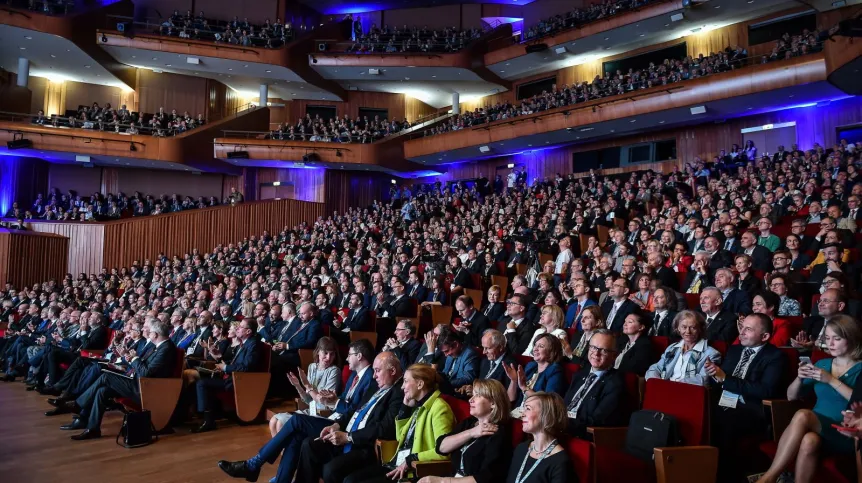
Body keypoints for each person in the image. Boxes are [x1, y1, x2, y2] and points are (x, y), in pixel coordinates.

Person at [217, 339, 377, 483]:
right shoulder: (354, 376)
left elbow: (356, 411)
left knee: (296, 421)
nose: (347, 358)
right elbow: (344, 402)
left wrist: (334, 402)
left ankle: (253, 465)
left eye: (350, 355)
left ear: (360, 356)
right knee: (295, 437)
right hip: (336, 418)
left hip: (342, 425)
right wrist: (333, 399)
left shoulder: (370, 378)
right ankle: (277, 478)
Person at [755, 315, 862, 483]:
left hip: (847, 434)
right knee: (809, 440)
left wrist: (831, 380)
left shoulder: (860, 368)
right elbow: (791, 396)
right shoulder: (822, 364)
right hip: (816, 429)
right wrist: (799, 378)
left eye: (837, 338)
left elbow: (858, 401)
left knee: (804, 415)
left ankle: (769, 477)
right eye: (827, 338)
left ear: (851, 338)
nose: (830, 343)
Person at [62, 319, 178, 440]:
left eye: (150, 332)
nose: (148, 333)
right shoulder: (158, 347)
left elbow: (146, 372)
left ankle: (78, 404)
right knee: (103, 391)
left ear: (155, 334)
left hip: (146, 388)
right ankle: (92, 428)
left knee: (106, 376)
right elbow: (144, 367)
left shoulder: (166, 348)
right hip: (137, 382)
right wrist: (131, 358)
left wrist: (134, 359)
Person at [705, 313, 787, 483]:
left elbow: (766, 390)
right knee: (696, 413)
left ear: (764, 336)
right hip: (723, 401)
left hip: (750, 409)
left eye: (748, 329)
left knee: (723, 423)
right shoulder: (735, 350)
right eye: (742, 327)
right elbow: (721, 381)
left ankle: (723, 477)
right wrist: (714, 375)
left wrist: (725, 379)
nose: (741, 332)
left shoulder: (775, 356)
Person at [342, 364, 455, 483]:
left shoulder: (440, 408)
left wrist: (412, 459)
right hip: (396, 464)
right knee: (350, 479)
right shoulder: (419, 404)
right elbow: (400, 437)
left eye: (406, 381)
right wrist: (405, 409)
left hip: (413, 472)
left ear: (420, 384)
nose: (402, 387)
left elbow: (443, 452)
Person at [419, 378, 513, 483]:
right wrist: (472, 432)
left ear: (493, 403)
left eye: (477, 395)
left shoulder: (497, 434)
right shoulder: (469, 423)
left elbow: (485, 478)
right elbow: (441, 447)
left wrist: (442, 481)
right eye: (472, 395)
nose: (470, 400)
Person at [192, 318, 264, 433]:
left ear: (248, 331)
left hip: (240, 381)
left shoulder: (253, 344)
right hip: (233, 377)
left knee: (202, 383)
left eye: (240, 327)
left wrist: (225, 368)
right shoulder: (245, 343)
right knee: (202, 378)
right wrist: (220, 357)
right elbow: (235, 363)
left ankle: (207, 420)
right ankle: (207, 417)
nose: (237, 329)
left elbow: (246, 367)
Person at [270, 336, 341, 436]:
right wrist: (298, 385)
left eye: (332, 354)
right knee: (274, 420)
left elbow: (323, 401)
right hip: (310, 410)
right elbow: (308, 400)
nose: (328, 357)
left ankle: (284, 451)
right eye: (325, 353)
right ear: (318, 352)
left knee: (280, 423)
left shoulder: (334, 371)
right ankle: (278, 451)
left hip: (323, 414)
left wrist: (307, 386)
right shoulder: (312, 367)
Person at [563, 329, 628, 437]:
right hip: (562, 427)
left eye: (604, 350)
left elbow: (595, 421)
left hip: (580, 434)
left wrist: (561, 423)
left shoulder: (615, 384)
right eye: (593, 347)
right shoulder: (580, 374)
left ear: (614, 355)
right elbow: (565, 404)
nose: (596, 353)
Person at [506, 392, 577, 483]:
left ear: (546, 415)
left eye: (528, 408)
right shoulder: (521, 449)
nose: (522, 414)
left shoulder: (560, 462)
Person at [645, 310, 722, 386]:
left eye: (693, 327)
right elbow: (656, 368)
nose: (688, 332)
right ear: (678, 328)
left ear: (700, 329)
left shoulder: (711, 353)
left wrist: (675, 385)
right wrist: (656, 382)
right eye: (684, 327)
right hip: (665, 388)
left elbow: (703, 380)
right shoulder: (672, 348)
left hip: (688, 393)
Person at [506, 333, 566, 411]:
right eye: (535, 345)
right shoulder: (531, 366)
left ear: (551, 351)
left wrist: (524, 387)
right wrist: (513, 381)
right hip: (518, 410)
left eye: (541, 346)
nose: (535, 349)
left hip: (537, 415)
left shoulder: (555, 371)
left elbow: (547, 403)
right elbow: (510, 399)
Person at [437, 330, 480, 395]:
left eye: (447, 351)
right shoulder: (450, 353)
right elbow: (445, 373)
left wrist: (445, 383)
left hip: (458, 391)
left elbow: (468, 378)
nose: (445, 355)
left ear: (456, 344)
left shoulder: (470, 354)